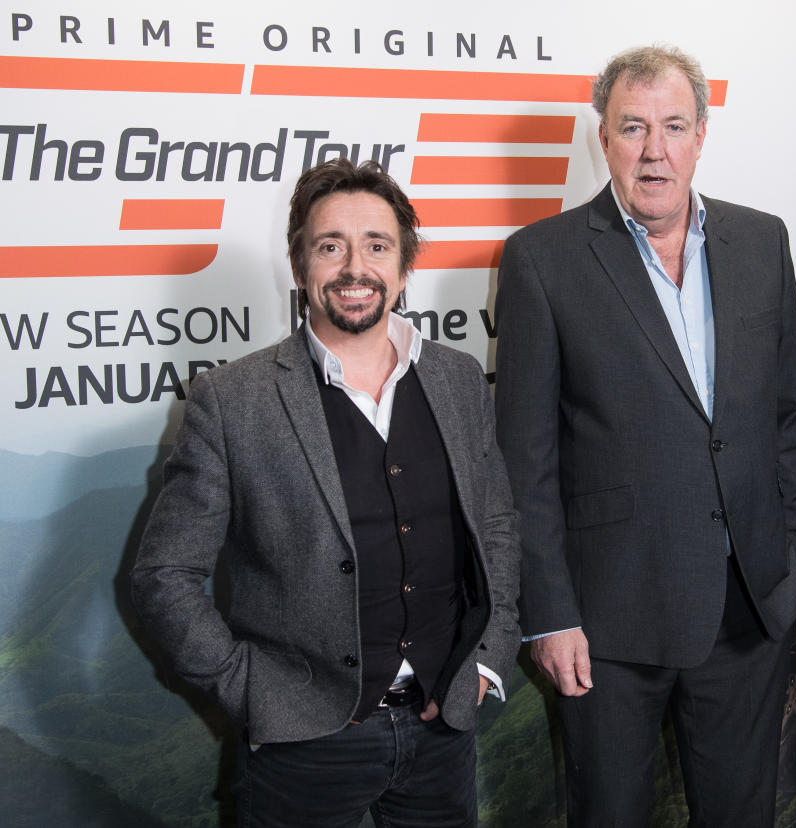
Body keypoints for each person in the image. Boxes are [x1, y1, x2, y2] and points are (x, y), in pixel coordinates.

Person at [130, 158, 521, 827]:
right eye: (329, 245)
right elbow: (163, 573)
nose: (353, 268)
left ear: (403, 266)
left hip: (443, 728)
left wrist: (489, 656)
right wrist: (248, 688)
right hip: (303, 748)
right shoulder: (232, 400)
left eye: (376, 245)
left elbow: (497, 526)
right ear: (300, 263)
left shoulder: (457, 381)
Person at [494, 45, 796, 827]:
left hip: (746, 612)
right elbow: (524, 463)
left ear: (702, 135)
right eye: (633, 127)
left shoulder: (763, 242)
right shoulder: (542, 260)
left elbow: (791, 421)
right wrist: (552, 613)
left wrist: (790, 559)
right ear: (603, 138)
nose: (654, 150)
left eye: (673, 126)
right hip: (607, 628)